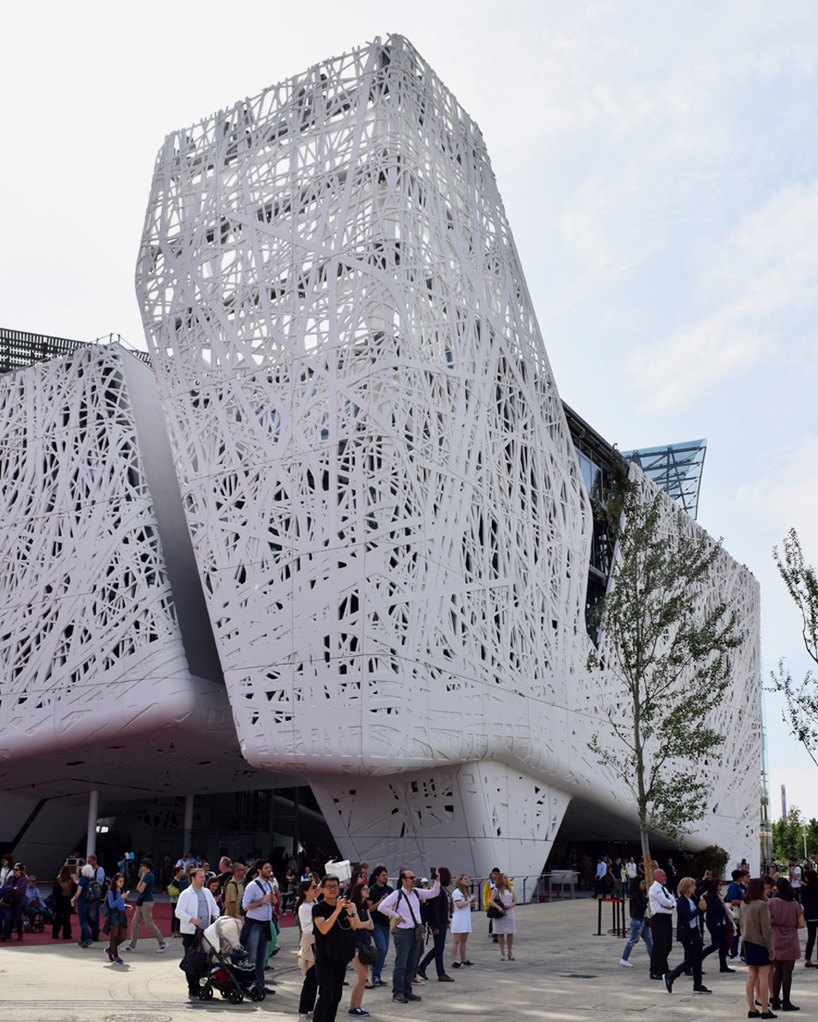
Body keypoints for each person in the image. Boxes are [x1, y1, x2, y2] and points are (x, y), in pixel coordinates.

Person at [379, 867, 441, 1003]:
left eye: (414, 877)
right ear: (403, 880)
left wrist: (437, 879)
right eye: (411, 878)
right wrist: (396, 916)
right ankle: (397, 992)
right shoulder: (397, 894)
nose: (414, 880)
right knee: (401, 964)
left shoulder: (416, 893)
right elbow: (381, 907)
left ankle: (407, 991)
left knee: (411, 964)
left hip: (415, 932)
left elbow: (434, 893)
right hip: (403, 932)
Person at [312, 873, 361, 1022]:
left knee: (336, 996)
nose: (332, 889)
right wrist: (337, 911)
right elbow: (323, 929)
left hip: (340, 956)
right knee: (326, 995)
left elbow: (354, 927)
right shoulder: (318, 908)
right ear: (322, 890)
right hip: (324, 957)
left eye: (335, 886)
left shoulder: (343, 906)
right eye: (329, 887)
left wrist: (350, 912)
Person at [176, 868, 220, 998]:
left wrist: (216, 916)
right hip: (190, 932)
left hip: (206, 931)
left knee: (203, 957)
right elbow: (178, 912)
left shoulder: (206, 892)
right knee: (192, 958)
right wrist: (191, 920)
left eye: (203, 876)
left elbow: (214, 907)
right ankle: (192, 986)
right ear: (192, 879)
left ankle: (199, 982)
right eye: (200, 877)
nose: (203, 879)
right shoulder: (186, 894)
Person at [663, 876, 710, 995]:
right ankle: (671, 976)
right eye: (693, 886)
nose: (695, 887)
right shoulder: (683, 901)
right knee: (690, 960)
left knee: (698, 959)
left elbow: (697, 913)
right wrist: (700, 909)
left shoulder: (692, 898)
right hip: (687, 934)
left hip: (696, 932)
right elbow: (689, 916)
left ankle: (698, 984)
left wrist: (702, 909)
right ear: (687, 888)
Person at [740, 877, 776, 1019]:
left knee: (751, 976)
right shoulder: (762, 905)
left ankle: (751, 1008)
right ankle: (765, 1010)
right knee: (764, 977)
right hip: (761, 943)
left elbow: (741, 922)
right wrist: (771, 950)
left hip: (748, 942)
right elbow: (766, 930)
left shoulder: (744, 903)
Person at [769, 877, 806, 1012]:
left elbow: (767, 921)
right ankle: (786, 1001)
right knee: (787, 972)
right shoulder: (795, 904)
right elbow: (802, 924)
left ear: (777, 889)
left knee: (777, 970)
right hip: (791, 938)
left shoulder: (771, 903)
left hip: (776, 937)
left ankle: (775, 1001)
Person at [241, 860, 277, 995]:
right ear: (259, 870)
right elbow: (246, 906)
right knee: (251, 957)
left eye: (270, 867)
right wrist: (262, 902)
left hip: (265, 924)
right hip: (254, 925)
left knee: (262, 957)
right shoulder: (252, 886)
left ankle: (260, 984)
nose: (270, 869)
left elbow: (272, 902)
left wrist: (274, 901)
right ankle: (246, 986)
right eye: (267, 867)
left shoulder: (269, 884)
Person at [417, 866, 454, 982]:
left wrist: (446, 921)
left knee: (439, 947)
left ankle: (422, 967)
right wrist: (436, 926)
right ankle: (440, 973)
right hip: (438, 923)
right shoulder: (438, 891)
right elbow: (436, 910)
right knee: (439, 948)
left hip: (442, 922)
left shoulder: (441, 890)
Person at [123, 858, 167, 953]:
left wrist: (142, 878)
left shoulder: (149, 876)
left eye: (142, 865)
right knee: (135, 923)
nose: (141, 867)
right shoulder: (147, 875)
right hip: (142, 901)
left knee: (149, 923)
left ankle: (162, 942)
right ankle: (132, 945)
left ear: (145, 866)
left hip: (146, 902)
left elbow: (140, 890)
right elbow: (138, 887)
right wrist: (142, 878)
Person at [349, 880, 375, 1017]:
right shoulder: (352, 905)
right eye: (364, 889)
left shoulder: (365, 906)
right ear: (358, 891)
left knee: (364, 978)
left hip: (365, 944)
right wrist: (365, 924)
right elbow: (357, 925)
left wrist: (364, 924)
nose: (367, 891)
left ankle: (358, 1006)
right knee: (362, 977)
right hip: (356, 945)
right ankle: (353, 1007)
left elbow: (372, 926)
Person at [296, 879, 319, 1022]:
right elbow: (312, 927)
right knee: (311, 979)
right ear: (305, 891)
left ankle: (309, 1010)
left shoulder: (313, 903)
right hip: (310, 941)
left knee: (315, 979)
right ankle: (303, 1012)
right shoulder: (305, 907)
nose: (316, 889)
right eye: (313, 887)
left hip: (315, 941)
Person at [368, 864, 393, 987]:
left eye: (386, 875)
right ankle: (375, 976)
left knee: (384, 950)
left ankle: (377, 974)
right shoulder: (372, 890)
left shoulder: (389, 889)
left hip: (386, 923)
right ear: (377, 877)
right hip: (376, 923)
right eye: (383, 875)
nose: (385, 877)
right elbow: (370, 908)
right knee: (382, 948)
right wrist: (381, 902)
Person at [701, 876, 734, 973]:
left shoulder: (718, 896)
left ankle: (723, 966)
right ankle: (699, 959)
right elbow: (709, 911)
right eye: (719, 884)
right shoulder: (710, 897)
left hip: (721, 922)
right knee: (716, 944)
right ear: (715, 886)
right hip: (715, 924)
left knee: (723, 944)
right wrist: (717, 922)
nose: (721, 886)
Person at [648, 867, 675, 979]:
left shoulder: (663, 889)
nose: (665, 877)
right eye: (663, 875)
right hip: (659, 918)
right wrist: (669, 905)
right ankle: (655, 970)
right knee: (659, 945)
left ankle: (663, 967)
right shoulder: (655, 888)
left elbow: (672, 902)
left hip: (667, 918)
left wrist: (670, 905)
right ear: (657, 876)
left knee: (667, 945)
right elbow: (665, 902)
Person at [620, 877, 653, 967]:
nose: (644, 885)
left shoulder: (640, 894)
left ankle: (653, 959)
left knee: (648, 939)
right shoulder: (635, 895)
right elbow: (640, 907)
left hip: (642, 920)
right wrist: (646, 899)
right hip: (637, 921)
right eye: (643, 883)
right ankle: (624, 958)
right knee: (633, 940)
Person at [449, 873, 475, 970]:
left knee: (464, 940)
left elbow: (465, 905)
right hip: (459, 919)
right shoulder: (457, 892)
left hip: (465, 919)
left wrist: (472, 903)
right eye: (465, 879)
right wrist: (470, 900)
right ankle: (453, 961)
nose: (467, 881)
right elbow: (459, 905)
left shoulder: (464, 892)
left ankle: (464, 960)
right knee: (456, 940)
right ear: (460, 881)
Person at [104, 872, 131, 963]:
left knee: (123, 937)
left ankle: (110, 949)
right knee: (114, 936)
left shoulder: (121, 891)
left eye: (122, 881)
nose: (121, 883)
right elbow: (112, 905)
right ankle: (116, 956)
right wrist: (121, 898)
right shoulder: (112, 892)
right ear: (115, 881)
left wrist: (126, 906)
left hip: (122, 914)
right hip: (114, 915)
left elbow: (120, 904)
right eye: (120, 881)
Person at [489, 873, 517, 960]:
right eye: (504, 878)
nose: (506, 879)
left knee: (510, 932)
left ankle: (510, 952)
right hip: (500, 912)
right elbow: (491, 901)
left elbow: (515, 900)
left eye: (506, 878)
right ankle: (502, 952)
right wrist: (498, 907)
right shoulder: (496, 890)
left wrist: (510, 905)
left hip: (509, 912)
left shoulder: (511, 889)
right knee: (500, 932)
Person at [0, 863, 28, 941]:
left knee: (18, 918)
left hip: (19, 902)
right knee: (8, 917)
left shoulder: (23, 880)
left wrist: (11, 889)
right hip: (10, 901)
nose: (14, 871)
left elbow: (20, 890)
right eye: (14, 869)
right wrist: (13, 888)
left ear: (21, 871)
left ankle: (20, 934)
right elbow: (5, 887)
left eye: (16, 870)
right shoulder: (10, 878)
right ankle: (5, 934)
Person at [72, 864, 94, 947]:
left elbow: (78, 892)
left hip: (82, 902)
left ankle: (88, 938)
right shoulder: (91, 880)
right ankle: (83, 939)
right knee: (86, 919)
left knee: (82, 921)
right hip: (90, 902)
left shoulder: (82, 880)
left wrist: (73, 899)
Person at [52, 864, 76, 940]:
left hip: (59, 899)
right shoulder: (71, 880)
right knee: (66, 918)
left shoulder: (58, 880)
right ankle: (66, 934)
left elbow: (55, 891)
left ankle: (55, 934)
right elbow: (74, 890)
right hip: (67, 899)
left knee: (58, 917)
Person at [801, 867, 818, 967]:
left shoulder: (804, 889)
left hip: (810, 915)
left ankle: (808, 959)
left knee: (811, 938)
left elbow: (803, 902)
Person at [86, 854, 105, 942]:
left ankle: (95, 934)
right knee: (87, 914)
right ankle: (95, 929)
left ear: (94, 861)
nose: (88, 863)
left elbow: (99, 883)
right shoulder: (88, 870)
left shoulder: (100, 870)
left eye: (89, 861)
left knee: (95, 915)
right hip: (89, 895)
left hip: (96, 895)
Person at [483, 867, 501, 941]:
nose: (495, 876)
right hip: (491, 902)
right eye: (494, 874)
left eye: (497, 874)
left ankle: (496, 932)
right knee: (492, 917)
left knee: (498, 917)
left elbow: (510, 884)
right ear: (491, 874)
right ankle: (492, 932)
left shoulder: (500, 882)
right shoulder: (488, 882)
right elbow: (485, 893)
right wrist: (486, 905)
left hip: (499, 902)